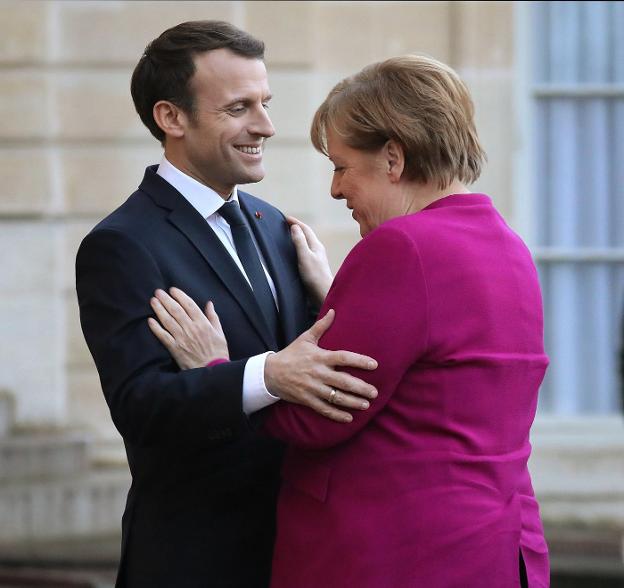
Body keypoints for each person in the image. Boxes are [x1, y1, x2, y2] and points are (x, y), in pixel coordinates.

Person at [151, 55, 550, 587]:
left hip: (396, 556)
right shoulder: (508, 246)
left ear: (392, 157)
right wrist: (335, 298)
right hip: (493, 549)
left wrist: (218, 369)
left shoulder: (402, 247)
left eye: (341, 166)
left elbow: (320, 416)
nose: (336, 190)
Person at [75, 21, 379, 588]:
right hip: (195, 561)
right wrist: (266, 374)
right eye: (239, 108)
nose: (264, 125)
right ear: (172, 118)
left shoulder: (275, 227)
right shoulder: (122, 244)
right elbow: (140, 407)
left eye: (264, 103)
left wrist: (330, 295)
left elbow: (325, 379)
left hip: (300, 553)